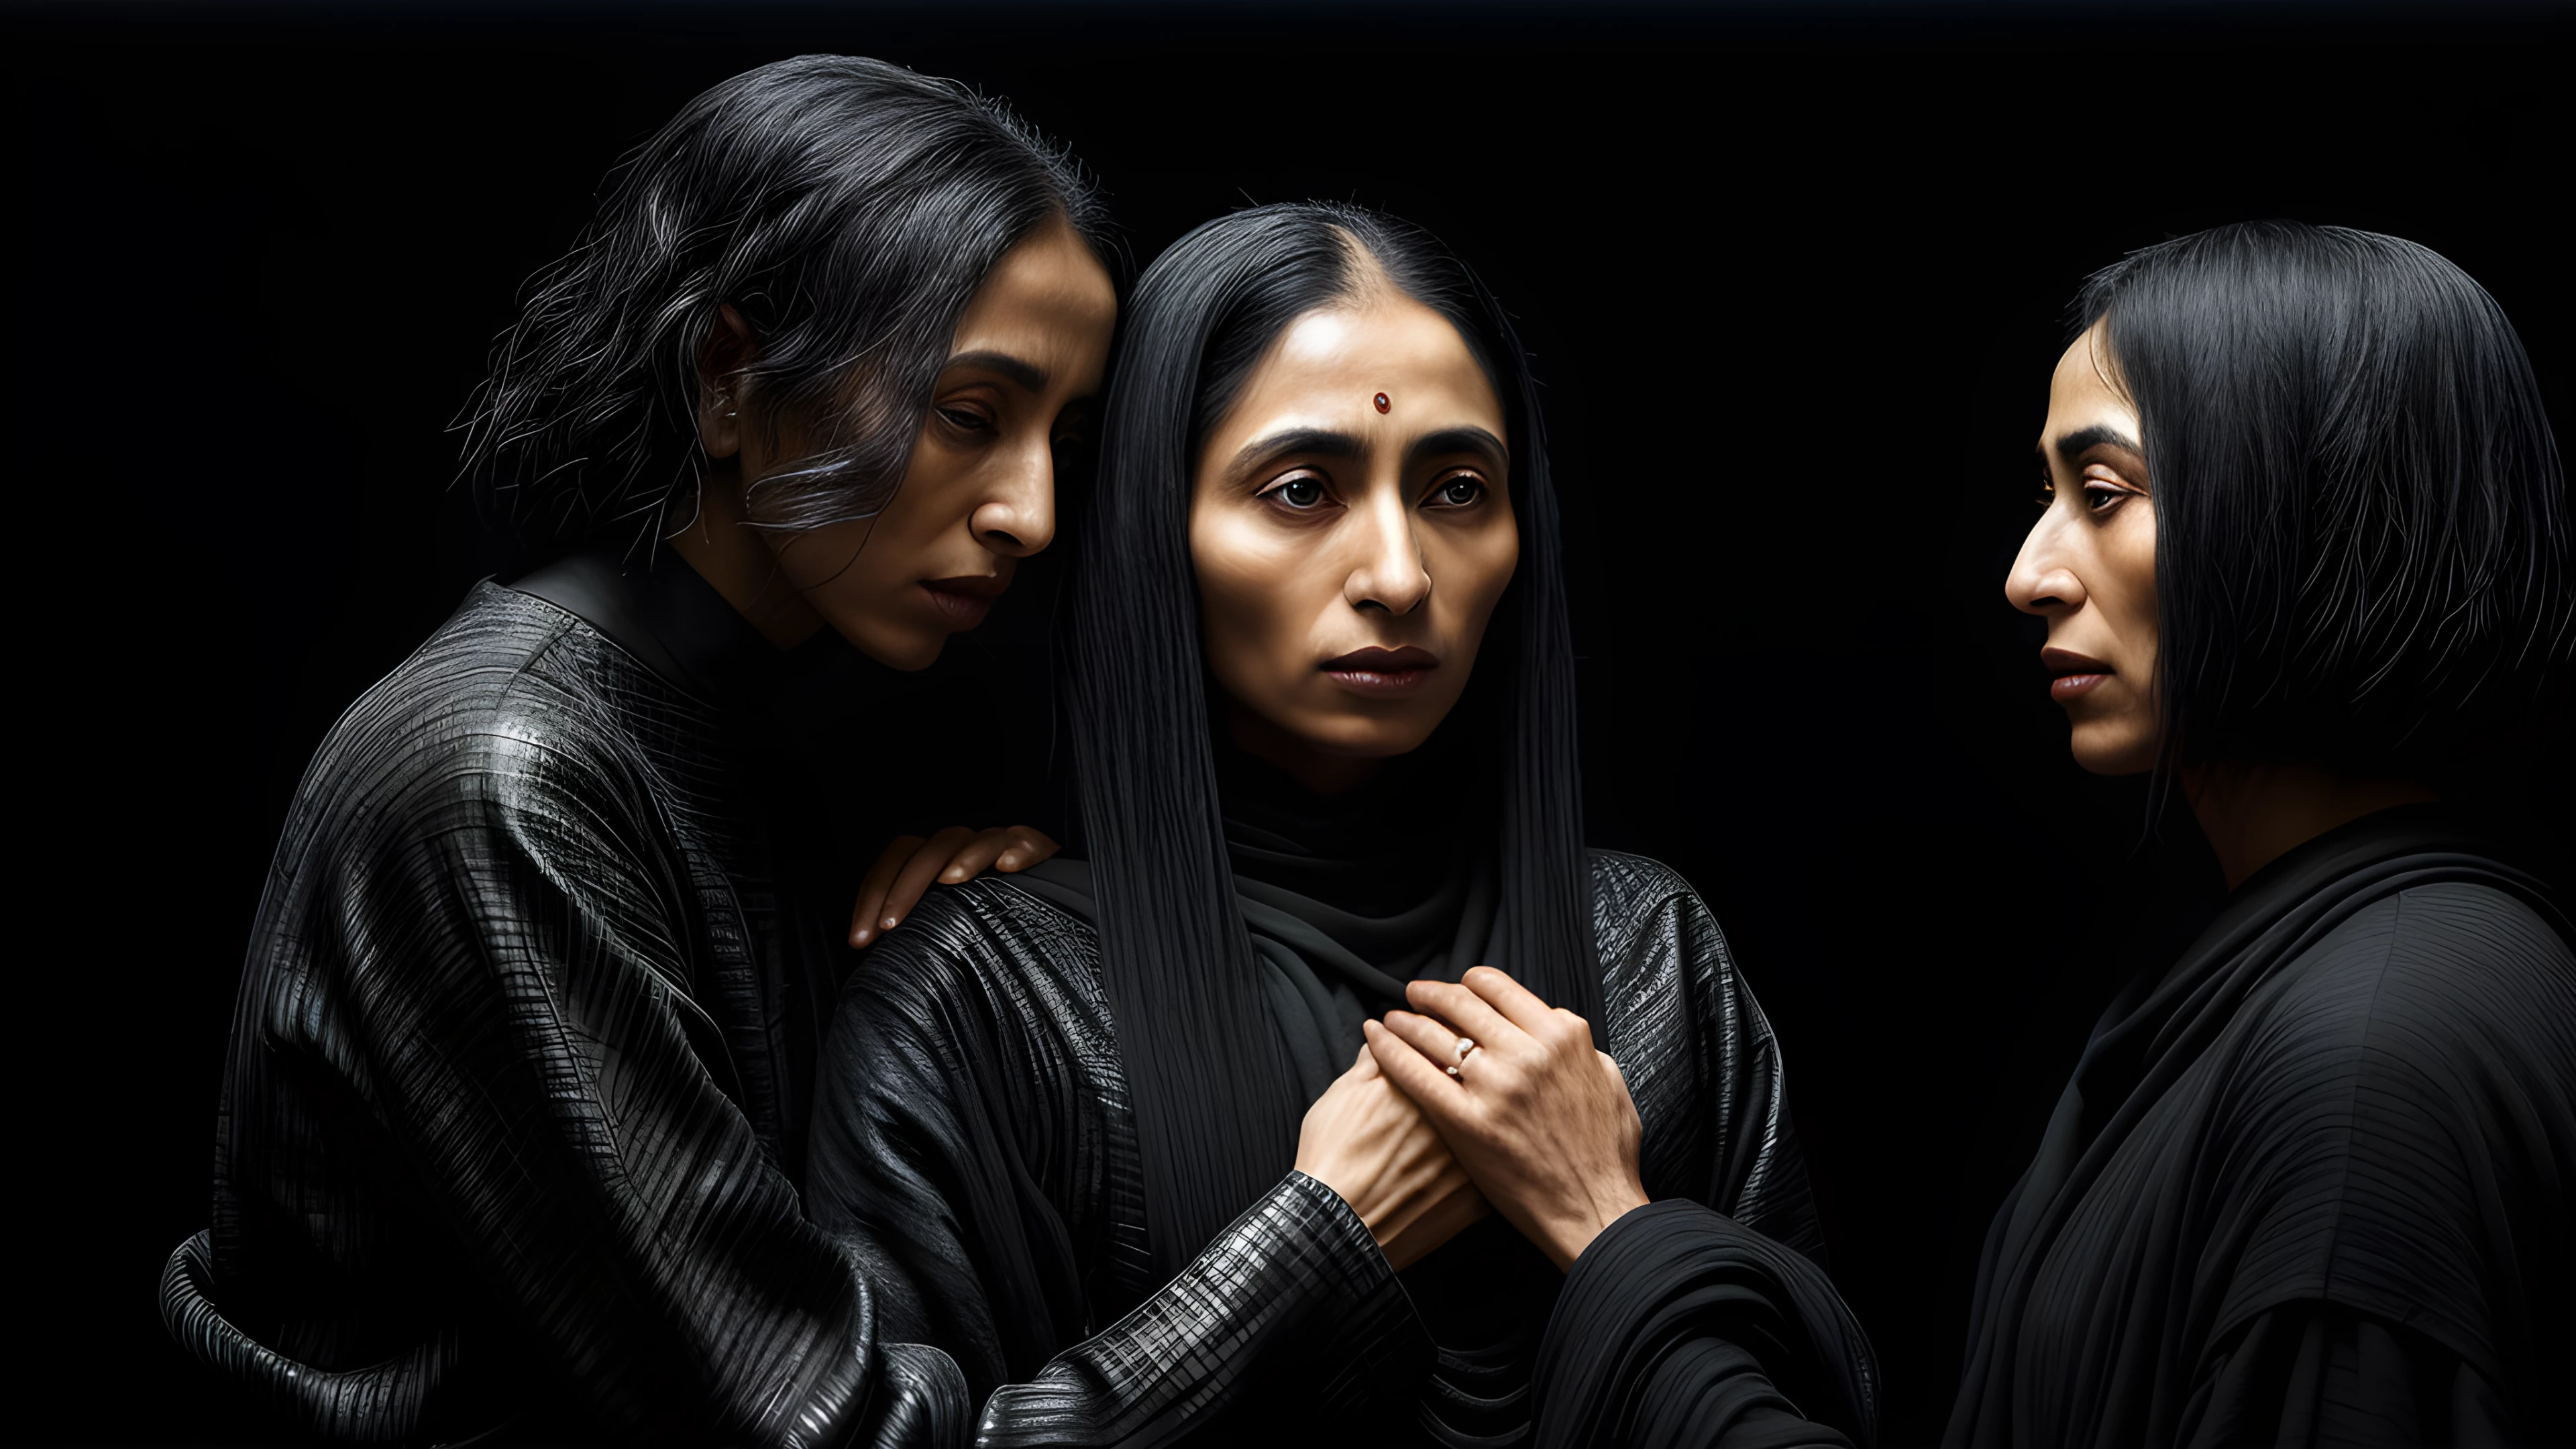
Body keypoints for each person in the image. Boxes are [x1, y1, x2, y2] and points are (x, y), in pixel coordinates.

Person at [804, 203, 1876, 1447]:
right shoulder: (988, 1001)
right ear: (1151, 529)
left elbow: (1809, 1399)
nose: (1400, 576)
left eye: (1459, 490)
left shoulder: (1646, 956)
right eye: (1303, 490)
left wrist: (1611, 1224)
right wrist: (1317, 1240)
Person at [160, 56, 1118, 1444]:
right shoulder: (501, 778)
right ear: (730, 372)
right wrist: (1322, 1241)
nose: (1031, 512)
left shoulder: (746, 740)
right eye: (969, 414)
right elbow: (825, 1431)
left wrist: (992, 954)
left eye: (1060, 440)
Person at [1943, 222, 2575, 1446]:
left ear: (2310, 507)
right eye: (2047, 498)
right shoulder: (2357, 970)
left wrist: (1632, 1264)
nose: (2030, 574)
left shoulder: (2375, 1058)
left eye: (2104, 494)